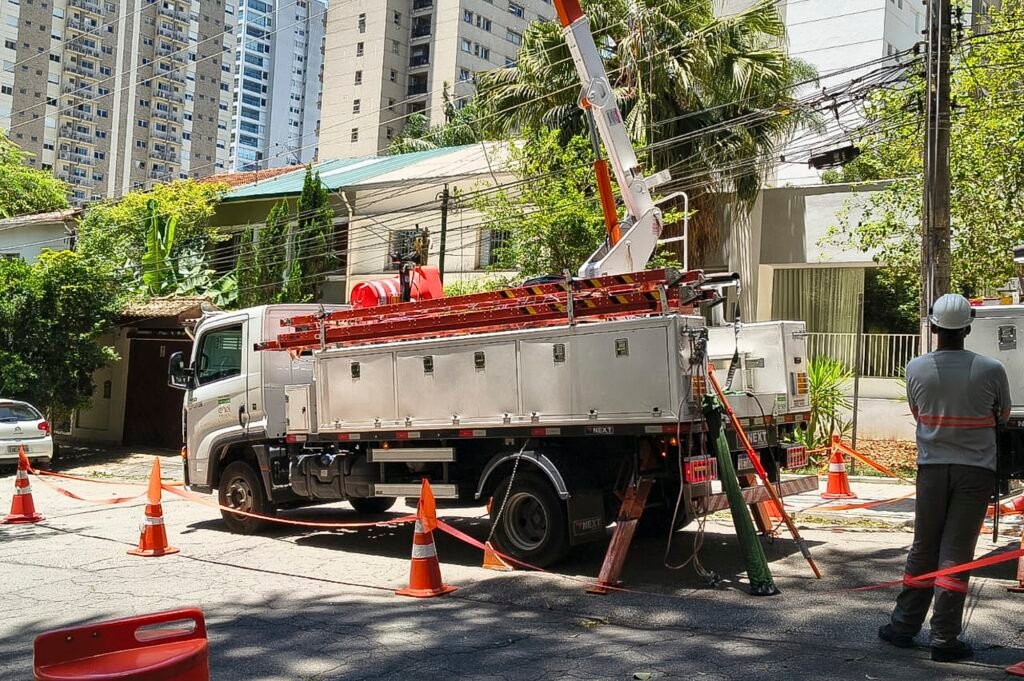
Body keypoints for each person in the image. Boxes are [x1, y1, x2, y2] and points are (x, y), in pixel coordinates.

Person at [878, 293, 1011, 662]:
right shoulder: (990, 369)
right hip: (975, 471)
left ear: (934, 326)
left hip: (932, 470)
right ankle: (944, 638)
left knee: (924, 548)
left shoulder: (916, 368)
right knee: (957, 554)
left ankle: (904, 627)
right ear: (968, 327)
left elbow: (917, 411)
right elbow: (1002, 416)